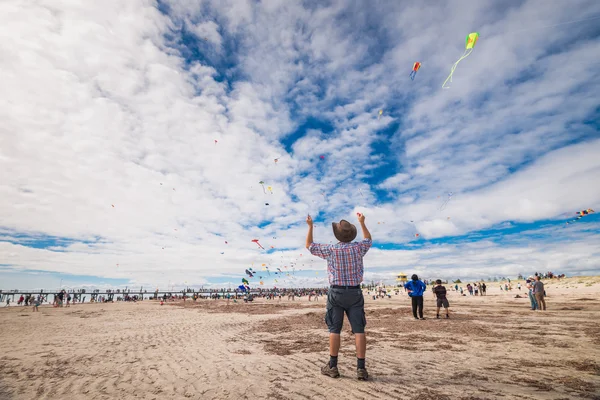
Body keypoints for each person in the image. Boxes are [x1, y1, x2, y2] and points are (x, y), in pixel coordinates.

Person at [307, 212, 372, 381]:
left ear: (337, 234)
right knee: (359, 330)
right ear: (351, 235)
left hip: (336, 292)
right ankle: (361, 369)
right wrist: (362, 223)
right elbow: (368, 240)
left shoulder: (331, 249)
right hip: (355, 292)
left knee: (334, 329)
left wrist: (310, 226)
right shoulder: (358, 248)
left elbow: (309, 245)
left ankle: (333, 366)